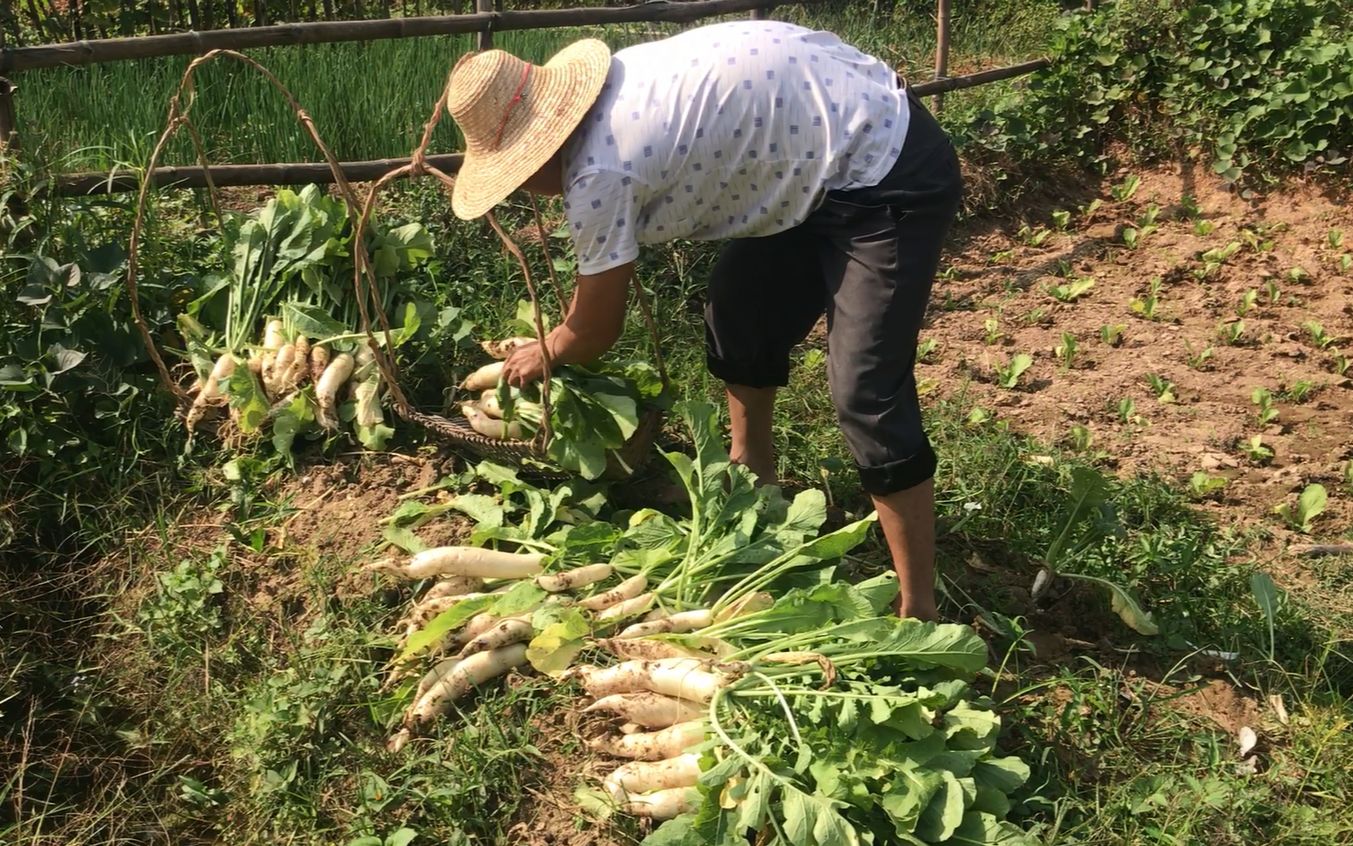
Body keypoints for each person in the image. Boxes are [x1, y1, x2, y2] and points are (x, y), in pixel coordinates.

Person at [443, 20, 963, 620]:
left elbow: (594, 331)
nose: (525, 193)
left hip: (887, 166)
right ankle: (753, 473)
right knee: (739, 307)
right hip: (823, 146)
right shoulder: (618, 81)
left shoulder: (600, 174)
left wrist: (549, 350)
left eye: (517, 178)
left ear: (540, 153)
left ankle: (918, 607)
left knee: (865, 390)